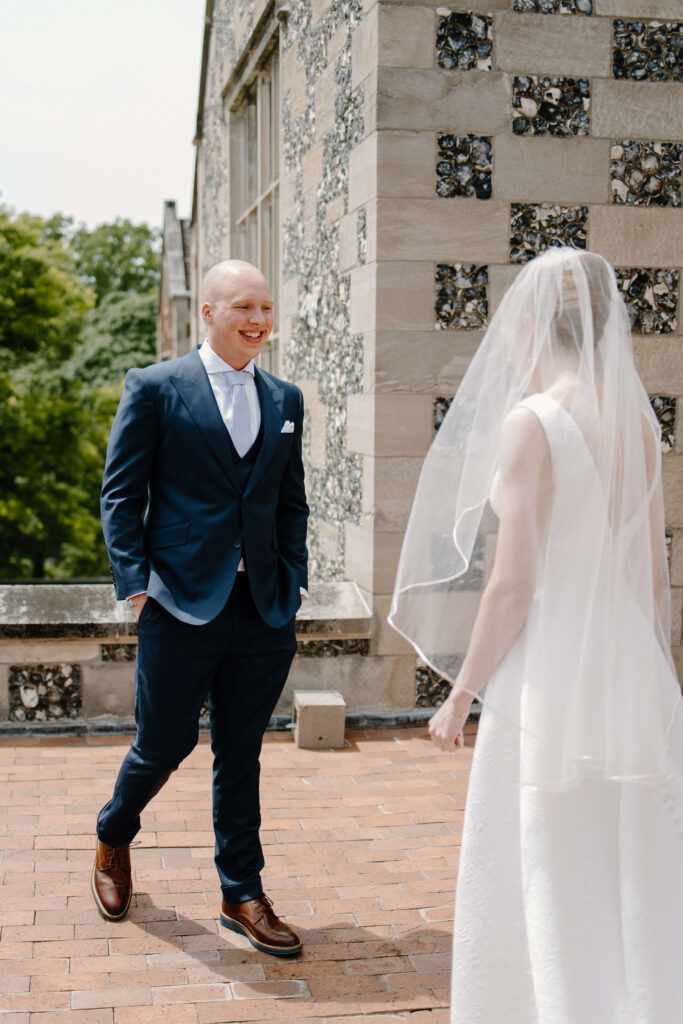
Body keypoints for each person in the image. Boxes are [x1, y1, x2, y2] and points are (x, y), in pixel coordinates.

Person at [390, 248, 683, 1022]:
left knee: (547, 856)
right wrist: (655, 673)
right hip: (626, 658)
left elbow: (513, 585)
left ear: (526, 322)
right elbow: (651, 578)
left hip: (553, 666)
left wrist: (458, 697)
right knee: (627, 861)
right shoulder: (635, 420)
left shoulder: (533, 422)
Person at [92, 259, 308, 957]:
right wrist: (134, 581)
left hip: (264, 608)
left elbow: (289, 501)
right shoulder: (155, 387)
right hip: (178, 604)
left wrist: (296, 577)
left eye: (266, 308)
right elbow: (121, 494)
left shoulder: (286, 399)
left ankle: (240, 890)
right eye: (244, 306)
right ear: (208, 313)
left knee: (240, 753)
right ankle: (114, 835)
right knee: (164, 744)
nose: (258, 320)